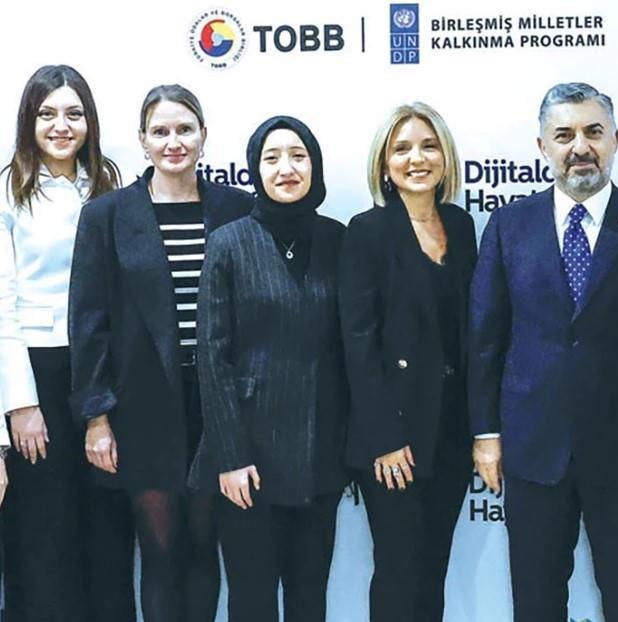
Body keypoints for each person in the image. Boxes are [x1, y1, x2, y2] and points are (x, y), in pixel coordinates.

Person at [468, 82, 618, 622]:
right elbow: (485, 336)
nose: (580, 147)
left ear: (615, 139)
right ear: (542, 146)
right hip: (533, 450)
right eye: (564, 135)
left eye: (593, 132)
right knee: (536, 602)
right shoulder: (509, 226)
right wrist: (486, 434)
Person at [69, 84, 253, 622]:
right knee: (160, 552)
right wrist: (96, 417)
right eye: (161, 131)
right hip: (142, 407)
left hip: (218, 406)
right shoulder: (106, 216)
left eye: (184, 129)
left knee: (204, 547)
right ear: (142, 141)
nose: (174, 142)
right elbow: (89, 322)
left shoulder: (237, 209)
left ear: (203, 135)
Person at [191, 115, 349, 622]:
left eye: (298, 156)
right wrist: (230, 457)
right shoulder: (228, 242)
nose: (286, 169)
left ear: (314, 165)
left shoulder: (338, 239)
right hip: (248, 460)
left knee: (309, 599)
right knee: (252, 601)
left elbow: (351, 347)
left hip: (320, 456)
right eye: (272, 158)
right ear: (255, 170)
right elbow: (212, 356)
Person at [1, 64, 133, 622]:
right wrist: (21, 404)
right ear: (28, 122)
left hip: (102, 372)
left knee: (107, 531)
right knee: (44, 534)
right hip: (39, 375)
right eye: (47, 114)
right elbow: (2, 304)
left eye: (74, 114)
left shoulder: (108, 183)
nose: (61, 126)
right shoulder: (10, 189)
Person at [339, 102, 475, 622]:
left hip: (451, 432)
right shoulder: (367, 231)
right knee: (397, 573)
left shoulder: (461, 225)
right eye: (402, 149)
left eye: (428, 146)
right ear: (384, 163)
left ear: (446, 156)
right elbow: (358, 342)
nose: (417, 159)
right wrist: (384, 438)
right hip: (393, 439)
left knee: (432, 571)